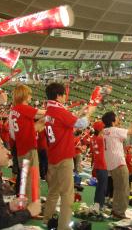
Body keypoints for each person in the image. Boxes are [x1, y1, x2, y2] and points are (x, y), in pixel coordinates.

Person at [43, 83, 95, 230]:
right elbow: (81, 124)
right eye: (64, 94)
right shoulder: (59, 110)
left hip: (53, 156)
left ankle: (47, 219)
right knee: (67, 194)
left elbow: (66, 121)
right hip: (63, 156)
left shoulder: (49, 109)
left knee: (53, 191)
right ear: (59, 95)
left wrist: (79, 112)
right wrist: (88, 113)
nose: (66, 96)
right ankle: (63, 226)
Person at [102, 110, 132, 219]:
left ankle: (116, 211)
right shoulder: (114, 130)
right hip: (119, 163)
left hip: (111, 164)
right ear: (112, 120)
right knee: (124, 189)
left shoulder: (105, 131)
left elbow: (123, 133)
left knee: (118, 189)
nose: (118, 119)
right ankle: (119, 213)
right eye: (116, 117)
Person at [9, 84, 45, 200]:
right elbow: (43, 112)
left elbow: (30, 127)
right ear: (24, 95)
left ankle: (22, 203)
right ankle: (31, 206)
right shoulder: (24, 108)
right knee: (32, 178)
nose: (31, 97)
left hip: (21, 148)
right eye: (29, 94)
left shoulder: (14, 109)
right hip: (29, 148)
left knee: (24, 178)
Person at [90, 120, 107, 214]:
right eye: (103, 128)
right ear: (101, 129)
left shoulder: (93, 138)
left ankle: (97, 204)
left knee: (99, 186)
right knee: (102, 187)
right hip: (102, 165)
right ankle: (100, 205)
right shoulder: (100, 139)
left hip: (97, 164)